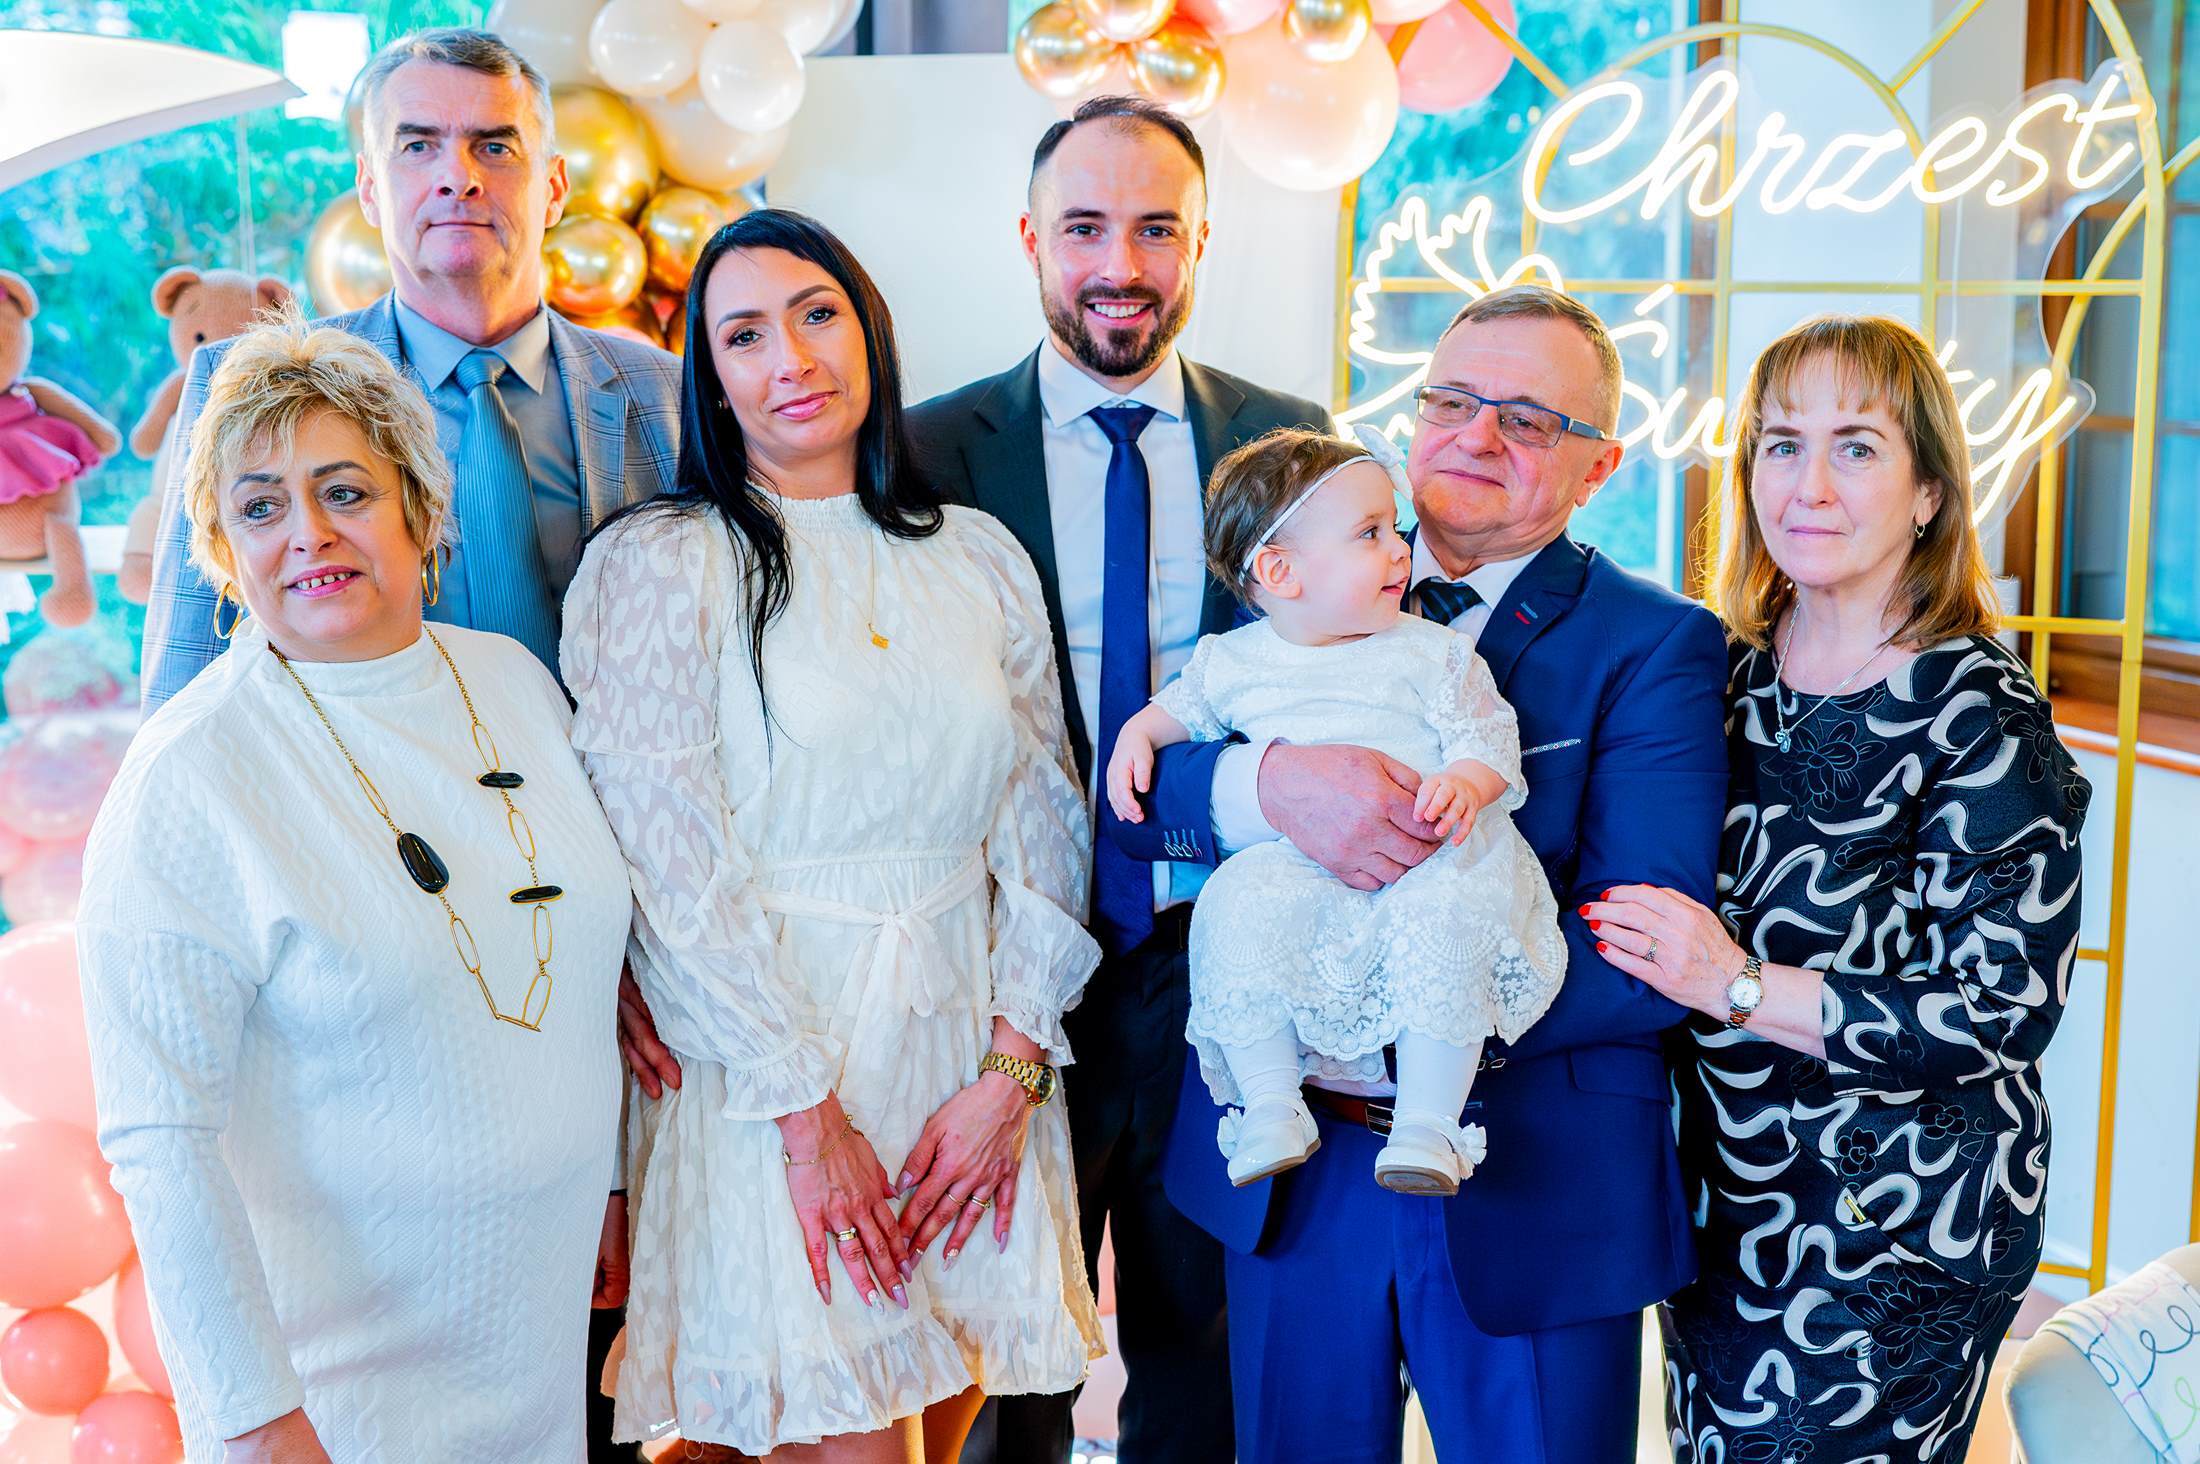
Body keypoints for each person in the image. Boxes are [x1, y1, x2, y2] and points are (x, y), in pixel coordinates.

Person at [1132, 283, 1729, 1462]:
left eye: (1528, 419)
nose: (1476, 436)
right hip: (1296, 1164)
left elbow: (1645, 947)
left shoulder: (1655, 643)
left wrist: (1397, 1024)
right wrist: (1269, 786)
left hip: (1531, 1169)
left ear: (1599, 466)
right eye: (1451, 400)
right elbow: (1140, 807)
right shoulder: (1298, 565)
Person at [566, 208, 1105, 1462]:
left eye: (817, 314)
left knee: (943, 1417)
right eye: (745, 335)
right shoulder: (664, 564)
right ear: (710, 380)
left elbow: (1045, 820)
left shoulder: (976, 555)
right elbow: (670, 869)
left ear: (869, 330)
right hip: (774, 1079)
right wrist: (810, 1123)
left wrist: (1012, 1074)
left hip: (965, 1073)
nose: (792, 358)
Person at [76, 312, 631, 1462]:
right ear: (221, 547)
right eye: (260, 507)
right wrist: (256, 1422)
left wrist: (616, 1182)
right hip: (334, 1403)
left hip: (535, 1358)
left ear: (420, 510)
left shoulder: (516, 682)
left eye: (345, 491)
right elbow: (159, 1140)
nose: (309, 534)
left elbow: (572, 968)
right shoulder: (192, 776)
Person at [906, 95, 1331, 1464]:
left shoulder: (1288, 438)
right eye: (1085, 227)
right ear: (1032, 238)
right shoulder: (923, 452)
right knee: (1000, 1356)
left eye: (1156, 230)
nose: (1121, 265)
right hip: (999, 978)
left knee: (1201, 1348)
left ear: (1202, 242)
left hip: (1221, 963)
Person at [1589, 314, 2089, 1463]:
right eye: (1781, 444)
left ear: (1928, 493)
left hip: (1901, 1225)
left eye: (1856, 447)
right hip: (1726, 1204)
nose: (1808, 485)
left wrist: (1735, 983)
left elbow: (1999, 1011)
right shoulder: (1725, 675)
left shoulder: (1978, 711)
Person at [139, 26, 682, 706]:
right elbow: (184, 690)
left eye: (495, 146)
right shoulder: (240, 386)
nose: (459, 178)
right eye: (418, 146)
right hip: (358, 776)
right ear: (369, 188)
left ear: (554, 187)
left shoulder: (669, 392)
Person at [1105, 427, 1563, 1195]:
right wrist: (1136, 736)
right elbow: (1177, 711)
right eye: (1370, 534)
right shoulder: (1233, 660)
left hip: (1427, 852)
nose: (1400, 552)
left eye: (1394, 529)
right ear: (1280, 572)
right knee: (1235, 902)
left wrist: (1467, 783)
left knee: (1444, 920)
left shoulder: (1430, 650)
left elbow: (1486, 737)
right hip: (1299, 865)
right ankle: (1269, 1102)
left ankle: (1428, 1123)